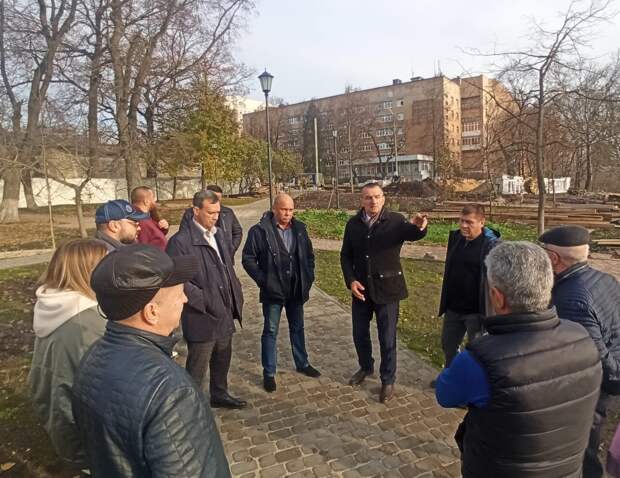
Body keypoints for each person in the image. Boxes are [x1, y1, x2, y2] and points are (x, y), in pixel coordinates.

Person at [435, 241, 602, 478]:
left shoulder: (481, 359)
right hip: (568, 469)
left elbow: (445, 395)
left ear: (498, 297)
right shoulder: (582, 337)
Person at [72, 244, 231, 477]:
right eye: (178, 294)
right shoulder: (171, 391)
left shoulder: (92, 358)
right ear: (152, 312)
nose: (185, 299)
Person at [540, 225, 620, 478]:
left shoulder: (571, 297)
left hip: (591, 389)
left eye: (545, 252)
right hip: (608, 377)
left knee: (582, 449)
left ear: (554, 258)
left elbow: (590, 354)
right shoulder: (605, 279)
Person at [340, 182, 428, 403]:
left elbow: (413, 233)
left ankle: (388, 379)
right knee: (359, 333)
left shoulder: (395, 220)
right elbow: (345, 255)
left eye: (377, 196)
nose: (373, 201)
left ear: (383, 198)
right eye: (368, 197)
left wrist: (420, 226)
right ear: (362, 200)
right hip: (361, 290)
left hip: (388, 289)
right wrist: (351, 280)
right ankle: (365, 366)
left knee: (387, 338)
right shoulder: (353, 224)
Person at [28, 239, 107, 467]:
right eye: (105, 264)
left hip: (57, 418)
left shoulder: (54, 305)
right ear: (89, 271)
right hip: (87, 437)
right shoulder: (87, 321)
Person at [167, 190, 246, 409]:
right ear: (196, 210)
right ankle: (190, 407)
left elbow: (226, 266)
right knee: (198, 367)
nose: (215, 217)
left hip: (225, 309)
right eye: (211, 212)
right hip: (201, 315)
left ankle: (219, 394)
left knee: (223, 357)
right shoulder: (180, 242)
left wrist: (235, 290)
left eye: (218, 212)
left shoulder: (219, 235)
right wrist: (204, 300)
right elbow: (177, 278)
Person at [242, 193, 320, 392]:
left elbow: (309, 256)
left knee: (298, 327)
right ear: (274, 209)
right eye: (284, 209)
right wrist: (264, 280)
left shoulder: (300, 229)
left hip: (296, 289)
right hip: (273, 291)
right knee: (270, 330)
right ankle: (269, 372)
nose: (288, 213)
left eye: (291, 210)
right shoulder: (260, 231)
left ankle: (302, 363)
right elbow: (248, 258)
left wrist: (308, 276)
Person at [438, 204, 500, 369]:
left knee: (476, 352)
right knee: (448, 346)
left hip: (475, 311)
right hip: (453, 308)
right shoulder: (456, 239)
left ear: (482, 222)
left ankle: (474, 381)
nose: (464, 226)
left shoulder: (490, 246)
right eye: (462, 221)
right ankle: (451, 376)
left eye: (469, 222)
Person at [180, 184, 243, 261]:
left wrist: (231, 249)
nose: (215, 217)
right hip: (202, 260)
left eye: (219, 199)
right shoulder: (190, 214)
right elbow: (183, 236)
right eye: (214, 198)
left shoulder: (228, 212)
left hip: (226, 258)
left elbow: (237, 232)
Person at [131, 186, 169, 250]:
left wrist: (163, 228)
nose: (155, 201)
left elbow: (153, 235)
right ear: (146, 201)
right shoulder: (141, 222)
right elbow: (142, 248)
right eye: (153, 198)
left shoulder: (146, 216)